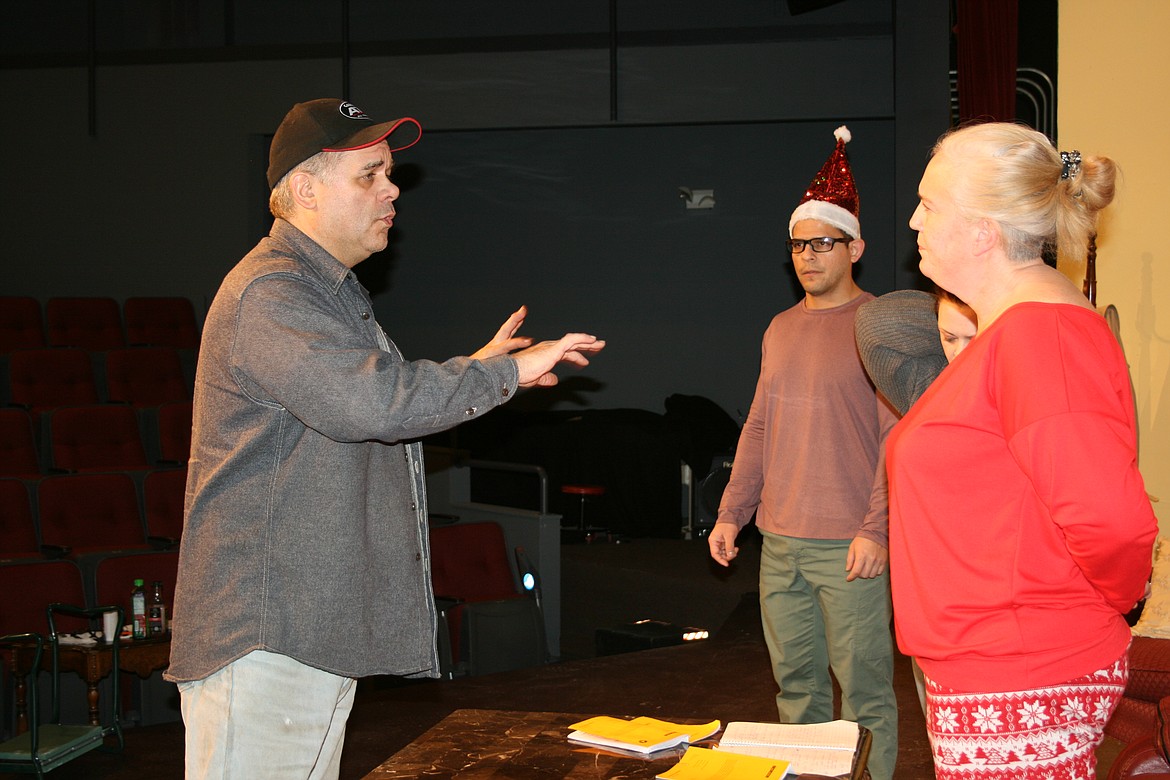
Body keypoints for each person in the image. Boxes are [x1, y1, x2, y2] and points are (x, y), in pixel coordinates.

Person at [165, 97, 605, 779]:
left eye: (389, 173)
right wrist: (505, 370)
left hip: (303, 633)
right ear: (305, 190)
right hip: (267, 636)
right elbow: (374, 403)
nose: (392, 188)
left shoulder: (326, 294)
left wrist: (488, 370)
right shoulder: (272, 294)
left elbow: (380, 398)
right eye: (368, 175)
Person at [887, 121, 1157, 779]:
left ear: (983, 231)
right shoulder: (1014, 333)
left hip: (1022, 668)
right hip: (995, 665)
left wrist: (1101, 604)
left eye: (930, 203)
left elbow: (1113, 522)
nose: (915, 219)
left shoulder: (1042, 338)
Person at [708, 126, 899, 780]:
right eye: (798, 244)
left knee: (866, 693)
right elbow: (760, 425)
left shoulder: (878, 327)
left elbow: (894, 440)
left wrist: (877, 529)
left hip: (849, 545)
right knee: (797, 690)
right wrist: (733, 512)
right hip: (780, 540)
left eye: (823, 242)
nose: (808, 255)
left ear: (856, 248)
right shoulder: (780, 329)